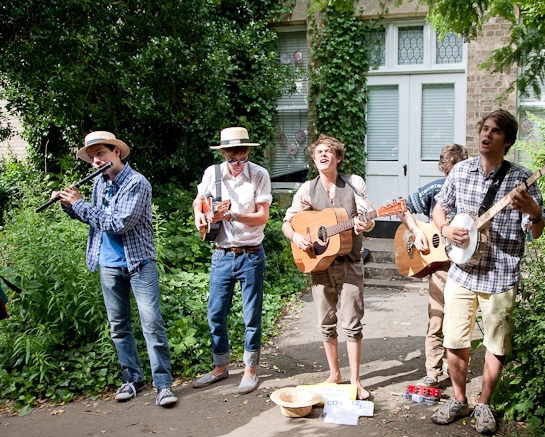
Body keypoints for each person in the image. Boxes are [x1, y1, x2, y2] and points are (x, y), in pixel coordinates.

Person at [430, 109, 545, 433]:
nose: (486, 134)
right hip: (462, 271)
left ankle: (484, 404)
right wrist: (445, 227)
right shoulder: (461, 171)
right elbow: (440, 206)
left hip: (501, 275)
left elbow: (536, 232)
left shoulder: (521, 180)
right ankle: (457, 399)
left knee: (496, 343)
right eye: (484, 128)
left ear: (507, 140)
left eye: (494, 131)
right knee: (454, 337)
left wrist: (535, 212)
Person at [56, 131, 176, 407]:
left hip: (139, 263)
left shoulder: (137, 183)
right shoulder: (100, 182)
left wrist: (80, 204)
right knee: (119, 326)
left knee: (151, 325)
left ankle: (163, 384)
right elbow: (95, 220)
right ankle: (133, 378)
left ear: (116, 153)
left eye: (101, 154)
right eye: (92, 157)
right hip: (108, 263)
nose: (96, 161)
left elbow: (120, 222)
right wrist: (69, 206)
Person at [282, 134, 374, 400]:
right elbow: (288, 222)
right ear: (313, 159)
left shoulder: (354, 184)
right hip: (320, 263)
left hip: (349, 262)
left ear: (338, 158)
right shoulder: (307, 190)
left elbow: (368, 219)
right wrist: (296, 236)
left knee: (353, 322)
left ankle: (355, 381)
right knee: (326, 322)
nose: (323, 155)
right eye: (318, 152)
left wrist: (364, 224)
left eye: (328, 152)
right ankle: (335, 375)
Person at [191, 127, 272, 394]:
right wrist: (199, 215)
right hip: (221, 254)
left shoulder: (259, 174)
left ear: (248, 153)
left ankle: (250, 370)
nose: (237, 165)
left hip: (251, 254)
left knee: (251, 316)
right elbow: (199, 200)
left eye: (242, 159)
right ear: (223, 154)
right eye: (232, 159)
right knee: (215, 313)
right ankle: (220, 367)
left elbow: (262, 217)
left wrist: (233, 216)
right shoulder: (211, 174)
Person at [398, 144, 468, 387]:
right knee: (436, 316)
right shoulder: (436, 188)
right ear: (443, 169)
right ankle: (433, 370)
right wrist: (416, 231)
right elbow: (401, 206)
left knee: (458, 318)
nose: (453, 175)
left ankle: (454, 367)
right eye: (449, 170)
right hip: (439, 263)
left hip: (466, 264)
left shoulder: (474, 192)